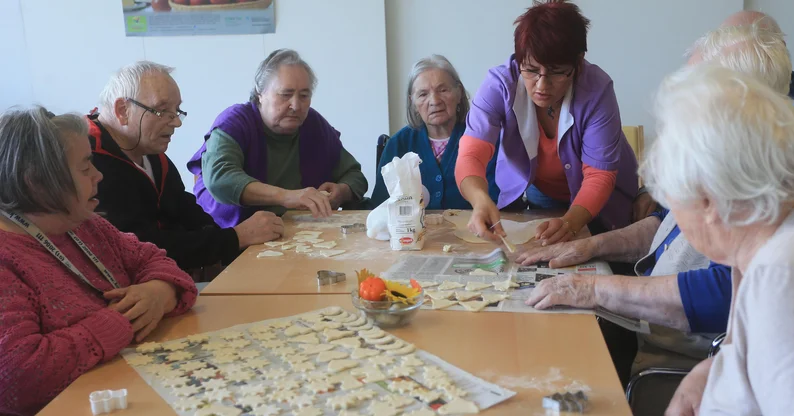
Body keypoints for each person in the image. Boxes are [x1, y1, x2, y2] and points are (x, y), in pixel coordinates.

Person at [518, 21, 792, 338]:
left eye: (695, 89)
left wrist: (596, 289)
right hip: (646, 322)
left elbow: (728, 291)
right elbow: (664, 226)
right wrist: (589, 246)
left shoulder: (764, 178)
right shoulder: (726, 156)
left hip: (667, 347)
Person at [0, 107, 198, 416]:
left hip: (126, 393)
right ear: (36, 182)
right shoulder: (7, 258)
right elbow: (16, 377)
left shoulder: (84, 224)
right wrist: (120, 320)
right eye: (85, 167)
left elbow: (157, 262)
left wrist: (158, 293)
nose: (99, 176)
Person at [647, 64, 794, 416]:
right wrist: (714, 370)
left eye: (672, 203)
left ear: (709, 202)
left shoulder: (780, 275)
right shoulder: (763, 249)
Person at [455, 0, 640, 247]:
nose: (541, 85)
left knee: (597, 256)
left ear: (578, 62)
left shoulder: (597, 90)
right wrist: (479, 199)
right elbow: (471, 155)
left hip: (604, 197)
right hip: (543, 191)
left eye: (555, 71)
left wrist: (570, 223)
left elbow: (599, 176)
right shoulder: (499, 85)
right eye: (531, 70)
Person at [89, 61, 283, 273]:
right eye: (163, 111)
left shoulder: (149, 152)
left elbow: (184, 210)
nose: (177, 123)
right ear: (123, 110)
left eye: (177, 111)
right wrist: (234, 238)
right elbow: (136, 246)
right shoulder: (89, 161)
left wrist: (229, 241)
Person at [188, 49, 368, 227]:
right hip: (233, 236)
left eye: (304, 96)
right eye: (285, 95)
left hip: (300, 233)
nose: (296, 105)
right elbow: (220, 179)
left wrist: (342, 191)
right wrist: (287, 197)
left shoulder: (313, 124)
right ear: (260, 94)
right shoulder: (235, 122)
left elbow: (355, 176)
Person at [370, 55, 499, 209]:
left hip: (472, 230)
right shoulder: (399, 144)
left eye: (443, 90)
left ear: (459, 93)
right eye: (423, 94)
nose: (435, 101)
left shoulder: (483, 139)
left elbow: (501, 202)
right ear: (413, 102)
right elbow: (380, 206)